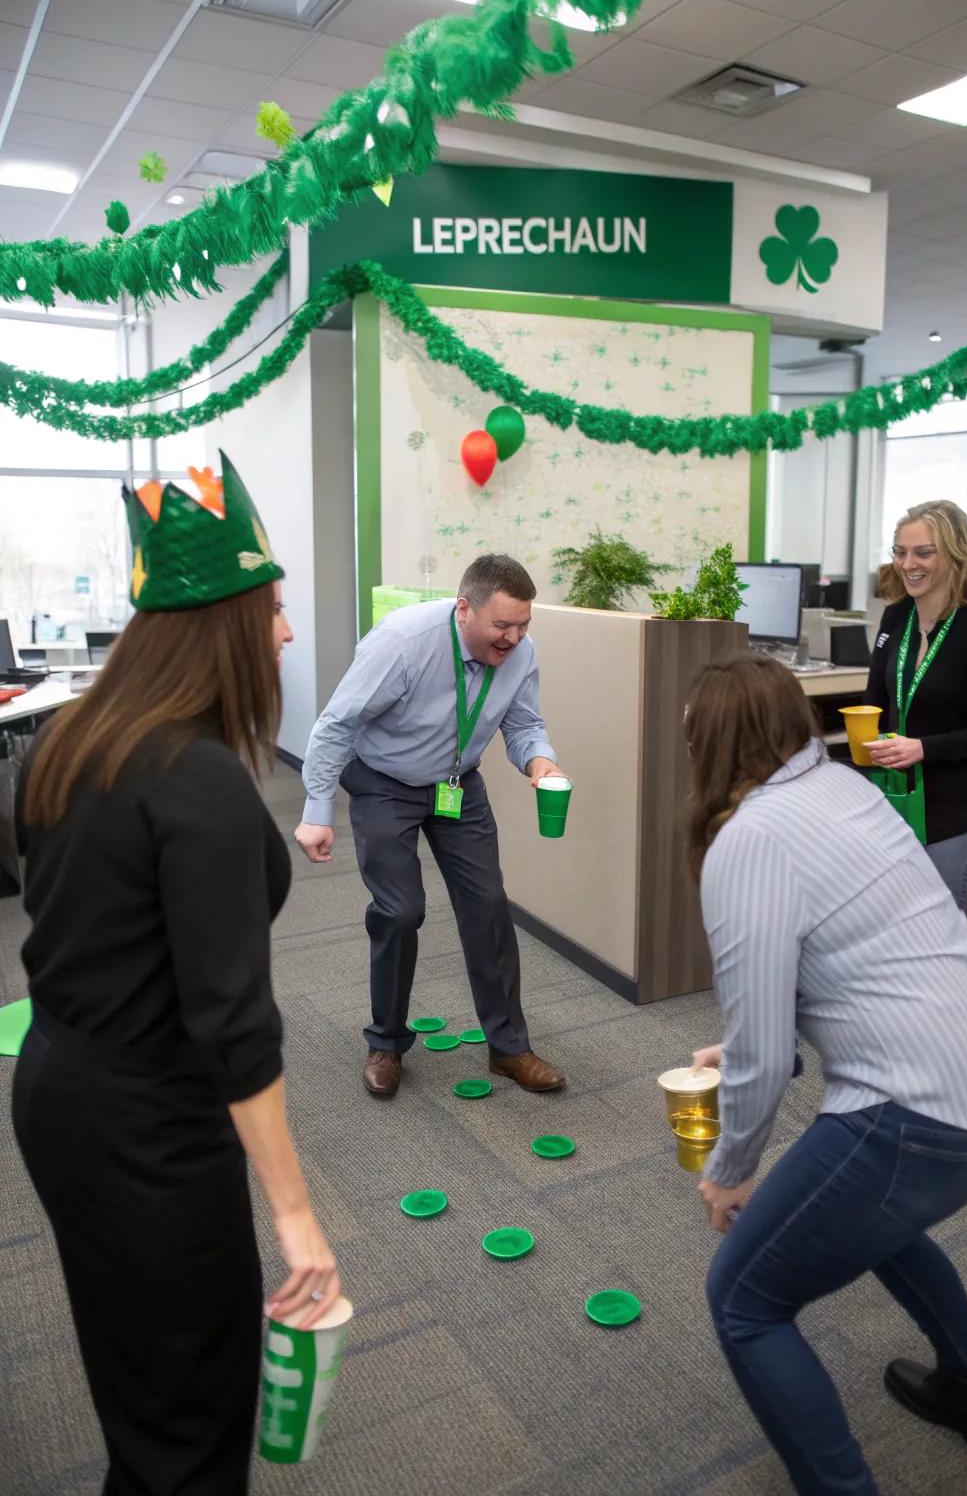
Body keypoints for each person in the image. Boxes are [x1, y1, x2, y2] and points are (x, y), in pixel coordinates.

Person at [12, 455, 340, 1496]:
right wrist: (295, 1219)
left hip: (59, 1090)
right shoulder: (195, 782)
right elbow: (235, 1026)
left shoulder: (68, 739)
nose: (286, 631)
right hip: (145, 1126)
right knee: (192, 1419)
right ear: (226, 625)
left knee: (139, 1383)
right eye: (275, 609)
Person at [685, 652, 967, 1496]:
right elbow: (860, 957)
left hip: (920, 1110)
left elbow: (764, 1049)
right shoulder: (845, 789)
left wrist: (731, 1170)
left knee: (743, 1301)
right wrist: (753, 1050)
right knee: (872, 1217)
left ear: (718, 744)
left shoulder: (750, 838)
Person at [296, 554, 568, 1098]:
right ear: (464, 609)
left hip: (456, 786)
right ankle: (386, 1043)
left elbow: (524, 723)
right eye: (502, 625)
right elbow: (338, 723)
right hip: (383, 781)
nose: (513, 638)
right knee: (400, 911)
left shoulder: (521, 653)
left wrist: (541, 761)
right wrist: (316, 810)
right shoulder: (403, 642)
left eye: (523, 625)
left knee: (487, 905)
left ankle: (509, 1047)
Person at [865, 499, 967, 907]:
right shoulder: (897, 616)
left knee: (937, 939)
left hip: (959, 811)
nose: (908, 563)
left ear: (956, 555)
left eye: (923, 552)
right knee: (900, 930)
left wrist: (923, 748)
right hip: (898, 801)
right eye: (900, 552)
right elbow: (875, 703)